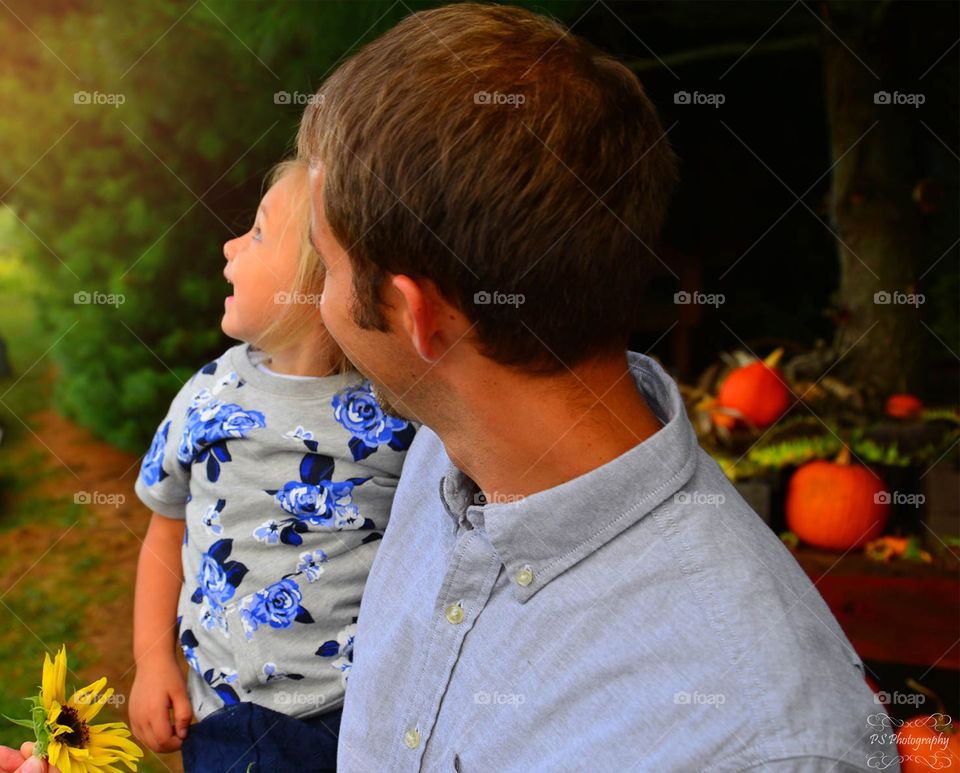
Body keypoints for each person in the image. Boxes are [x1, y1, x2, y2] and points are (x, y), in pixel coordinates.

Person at [293, 3, 901, 771]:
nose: (315, 297)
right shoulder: (447, 448)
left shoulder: (759, 741)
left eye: (326, 260)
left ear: (418, 316)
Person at [127, 157, 416, 772]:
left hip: (359, 717)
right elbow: (164, 531)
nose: (230, 245)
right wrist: (153, 660)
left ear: (321, 277)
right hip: (222, 718)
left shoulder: (399, 409)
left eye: (258, 232)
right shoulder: (206, 397)